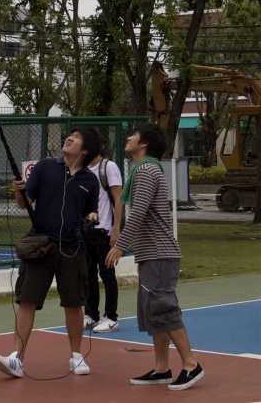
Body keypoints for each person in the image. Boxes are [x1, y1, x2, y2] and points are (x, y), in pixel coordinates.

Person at [0, 127, 101, 379]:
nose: (70, 138)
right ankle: (17, 358)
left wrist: (92, 217)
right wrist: (18, 189)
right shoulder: (45, 167)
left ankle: (76, 356)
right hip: (40, 246)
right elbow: (23, 203)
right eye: (70, 134)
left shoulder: (90, 181)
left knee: (74, 303)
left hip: (73, 249)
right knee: (27, 300)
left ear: (86, 149)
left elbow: (91, 210)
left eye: (77, 137)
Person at [105, 124, 204, 391]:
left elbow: (138, 212)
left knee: (164, 309)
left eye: (133, 135)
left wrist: (120, 246)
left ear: (144, 144)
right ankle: (162, 369)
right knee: (154, 313)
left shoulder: (146, 171)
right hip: (152, 255)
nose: (128, 138)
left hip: (160, 254)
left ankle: (191, 364)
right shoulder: (143, 170)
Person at [84, 145, 123, 333]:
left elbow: (118, 199)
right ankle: (91, 314)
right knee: (88, 274)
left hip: (105, 231)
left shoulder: (108, 167)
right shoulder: (81, 168)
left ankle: (111, 318)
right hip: (86, 231)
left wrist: (116, 229)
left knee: (107, 274)